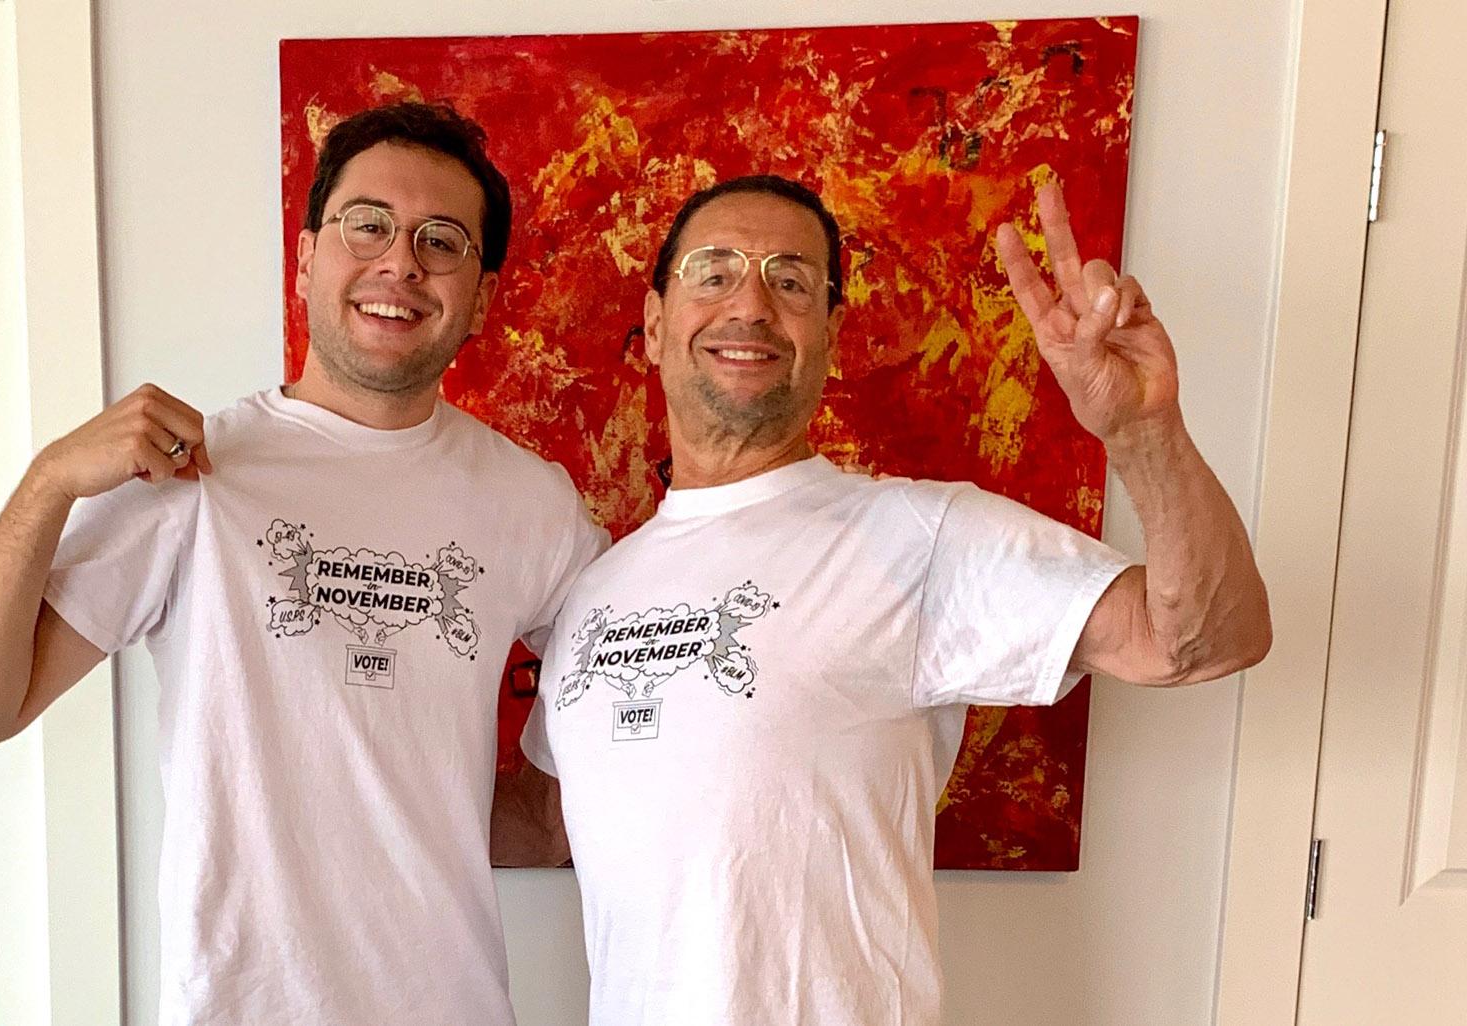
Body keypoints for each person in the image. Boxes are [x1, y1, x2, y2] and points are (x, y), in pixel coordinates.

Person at [519, 174, 1271, 1024]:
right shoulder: (594, 592)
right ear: (656, 325)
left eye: (791, 280)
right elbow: (553, 824)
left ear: (829, 333)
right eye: (715, 270)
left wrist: (1144, 432)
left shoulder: (918, 534)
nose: (752, 304)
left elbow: (1206, 639)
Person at [0, 101, 606, 1026]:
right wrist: (48, 483)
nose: (401, 261)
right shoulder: (191, 472)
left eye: (442, 241)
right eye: (369, 224)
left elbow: (624, 702)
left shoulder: (533, 504)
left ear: (480, 295)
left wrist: (497, 807)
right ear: (308, 256)